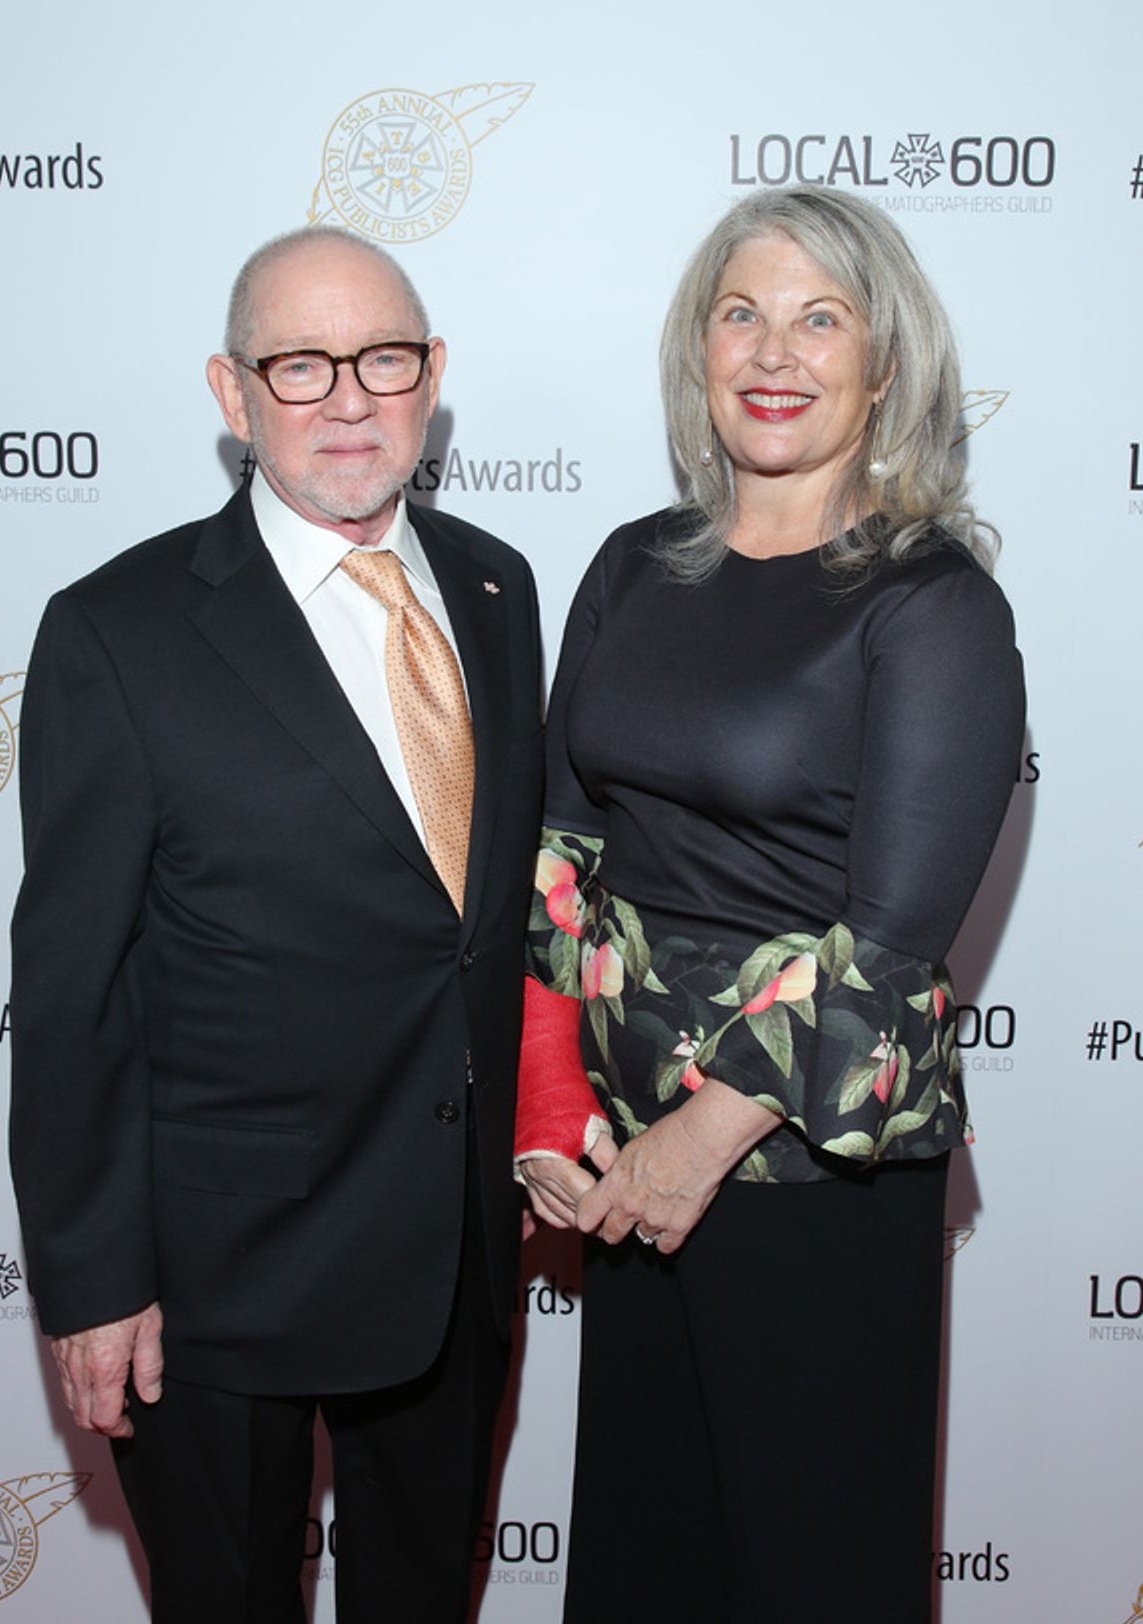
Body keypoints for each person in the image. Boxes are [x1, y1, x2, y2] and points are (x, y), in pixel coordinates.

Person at [9, 225, 543, 1623]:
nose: (350, 399)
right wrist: (90, 1283)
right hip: (215, 1283)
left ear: (435, 377)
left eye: (384, 358)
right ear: (231, 393)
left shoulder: (497, 587)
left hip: (453, 1252)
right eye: (300, 365)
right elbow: (71, 994)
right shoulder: (116, 634)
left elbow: (492, 927)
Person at [514, 186, 1024, 1622]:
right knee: (646, 1553)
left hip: (807, 1170)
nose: (773, 350)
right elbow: (560, 857)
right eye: (741, 312)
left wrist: (695, 1142)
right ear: (700, 345)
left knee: (808, 1568)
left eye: (819, 317)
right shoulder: (631, 564)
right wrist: (554, 1109)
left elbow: (895, 943)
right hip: (628, 1168)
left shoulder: (932, 606)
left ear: (884, 361)